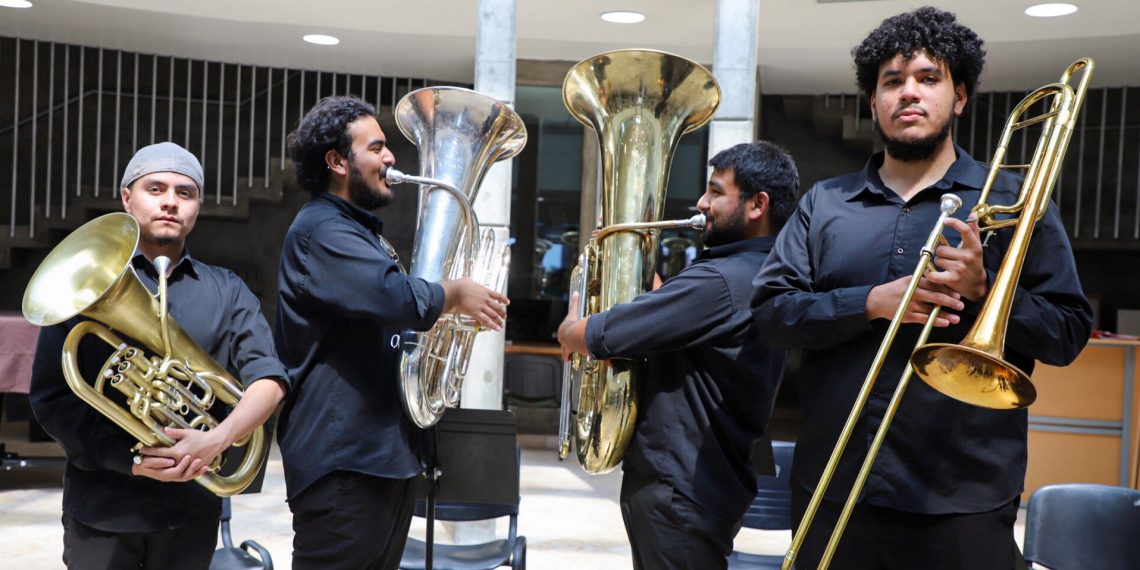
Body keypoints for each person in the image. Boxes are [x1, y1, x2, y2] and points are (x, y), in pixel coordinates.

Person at [751, 7, 1093, 569]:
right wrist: (869, 303)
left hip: (964, 497)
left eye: (928, 78)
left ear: (959, 97)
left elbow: (1067, 334)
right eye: (892, 82)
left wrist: (986, 290)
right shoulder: (825, 204)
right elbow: (770, 313)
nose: (908, 92)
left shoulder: (1016, 202)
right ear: (874, 102)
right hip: (835, 484)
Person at [29, 142, 289, 570]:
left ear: (197, 207)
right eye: (155, 188)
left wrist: (217, 439)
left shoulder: (227, 290)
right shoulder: (79, 288)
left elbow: (270, 380)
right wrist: (129, 459)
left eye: (185, 193)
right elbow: (52, 398)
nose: (170, 201)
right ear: (127, 198)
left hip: (191, 513)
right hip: (103, 510)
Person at [275, 96, 508, 570]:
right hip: (344, 460)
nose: (390, 157)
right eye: (376, 147)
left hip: (381, 456)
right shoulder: (322, 230)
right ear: (337, 162)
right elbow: (396, 299)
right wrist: (454, 292)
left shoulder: (357, 232)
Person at [558, 141, 800, 569]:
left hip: (679, 490)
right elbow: (673, 315)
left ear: (757, 205)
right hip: (698, 488)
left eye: (716, 192)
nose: (702, 203)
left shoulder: (721, 281)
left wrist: (569, 327)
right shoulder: (761, 274)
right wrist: (625, 259)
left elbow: (600, 335)